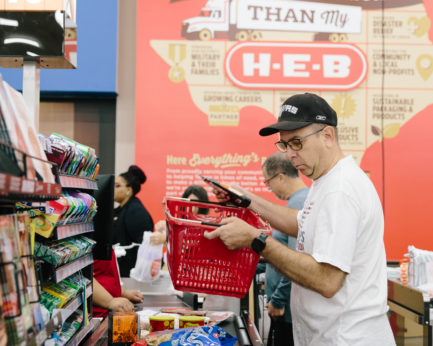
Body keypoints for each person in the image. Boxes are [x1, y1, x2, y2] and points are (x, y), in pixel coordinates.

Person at [205, 93, 395, 345]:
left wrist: (256, 240)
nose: (290, 154)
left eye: (297, 142)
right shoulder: (326, 180)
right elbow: (301, 222)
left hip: (345, 337)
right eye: (285, 144)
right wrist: (245, 198)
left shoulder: (341, 188)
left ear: (327, 136)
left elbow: (327, 280)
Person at [261, 152, 308, 346]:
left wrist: (279, 300)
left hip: (286, 311)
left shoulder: (297, 203)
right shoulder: (300, 200)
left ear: (280, 176)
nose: (269, 188)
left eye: (267, 182)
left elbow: (294, 260)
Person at [113, 165, 155, 277]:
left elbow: (143, 245)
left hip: (131, 273)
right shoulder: (120, 210)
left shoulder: (135, 211)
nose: (113, 189)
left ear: (128, 189)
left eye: (117, 186)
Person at [92, 248, 143, 318]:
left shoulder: (104, 243)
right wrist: (110, 301)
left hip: (109, 312)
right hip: (96, 316)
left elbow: (106, 274)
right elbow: (83, 277)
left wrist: (123, 293)